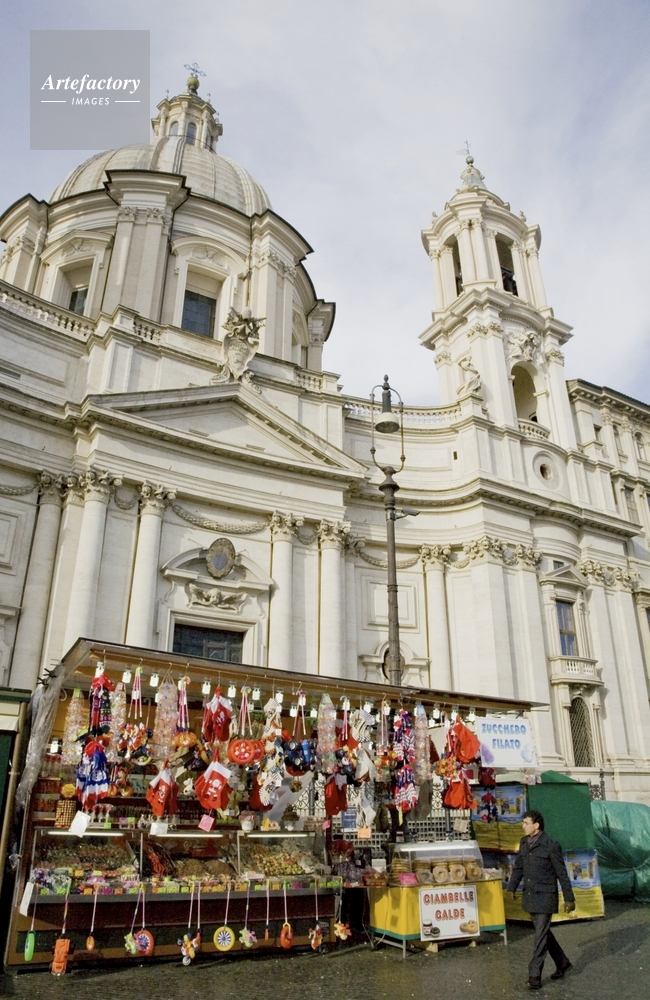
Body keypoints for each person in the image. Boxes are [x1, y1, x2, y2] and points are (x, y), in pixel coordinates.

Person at [506, 809, 575, 989]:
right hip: (530, 895)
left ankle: (534, 975)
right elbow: (519, 867)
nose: (523, 826)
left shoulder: (551, 845)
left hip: (545, 896)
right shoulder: (524, 842)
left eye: (526, 823)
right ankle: (562, 962)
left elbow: (561, 873)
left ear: (536, 825)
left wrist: (569, 898)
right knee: (543, 933)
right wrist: (512, 887)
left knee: (540, 936)